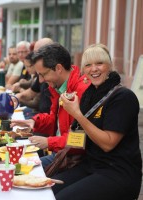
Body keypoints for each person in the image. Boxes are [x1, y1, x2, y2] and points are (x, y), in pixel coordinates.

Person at [52, 44, 142, 200]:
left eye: (99, 63)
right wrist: (59, 142)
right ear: (83, 70)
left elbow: (108, 144)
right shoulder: (89, 95)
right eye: (88, 65)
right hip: (90, 165)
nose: (94, 69)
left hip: (118, 172)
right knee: (47, 191)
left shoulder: (123, 97)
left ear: (109, 66)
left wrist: (77, 114)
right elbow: (80, 138)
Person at [11, 43, 89, 167]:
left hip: (72, 160)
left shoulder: (81, 91)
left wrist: (49, 142)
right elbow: (55, 120)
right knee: (15, 164)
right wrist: (34, 122)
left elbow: (80, 139)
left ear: (58, 68)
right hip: (62, 154)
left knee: (18, 168)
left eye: (43, 74)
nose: (41, 80)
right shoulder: (59, 87)